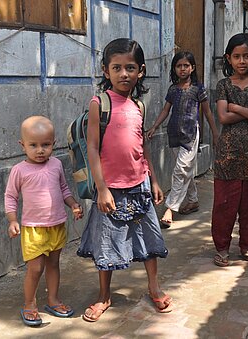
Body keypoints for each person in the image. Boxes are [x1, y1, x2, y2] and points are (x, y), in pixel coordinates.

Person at [76, 38, 172, 322]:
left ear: (140, 71)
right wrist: (102, 188)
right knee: (105, 242)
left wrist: (154, 180)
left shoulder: (139, 106)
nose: (124, 74)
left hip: (139, 185)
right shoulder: (100, 103)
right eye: (116, 68)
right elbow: (92, 147)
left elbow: (143, 147)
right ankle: (104, 295)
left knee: (149, 238)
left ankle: (154, 287)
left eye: (130, 68)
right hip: (111, 189)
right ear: (106, 71)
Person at [4, 116, 83, 326]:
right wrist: (12, 220)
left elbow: (64, 189)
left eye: (45, 145)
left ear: (53, 144)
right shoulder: (19, 170)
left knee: (54, 264)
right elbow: (11, 197)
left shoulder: (56, 164)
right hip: (33, 229)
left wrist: (74, 204)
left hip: (57, 225)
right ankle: (29, 304)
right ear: (23, 145)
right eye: (33, 145)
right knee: (35, 268)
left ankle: (53, 300)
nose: (40, 150)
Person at [211, 33, 248, 267]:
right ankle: (222, 248)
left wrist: (236, 108)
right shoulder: (223, 85)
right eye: (236, 56)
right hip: (227, 153)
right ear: (228, 58)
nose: (242, 61)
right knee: (224, 204)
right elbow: (224, 117)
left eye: (247, 56)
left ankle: (247, 246)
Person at [146, 51, 219, 228]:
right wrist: (155, 126)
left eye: (186, 65)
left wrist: (215, 133)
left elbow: (207, 111)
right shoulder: (173, 89)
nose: (182, 69)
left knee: (180, 170)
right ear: (174, 69)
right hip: (174, 134)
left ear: (192, 68)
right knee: (184, 170)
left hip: (190, 135)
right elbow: (165, 110)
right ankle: (192, 200)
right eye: (179, 66)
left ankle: (170, 208)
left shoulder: (198, 89)